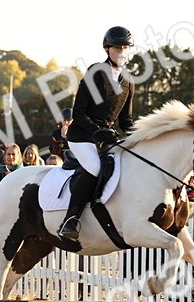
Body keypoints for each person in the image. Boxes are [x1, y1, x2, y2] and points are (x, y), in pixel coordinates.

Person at [58, 26, 136, 240]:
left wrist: (141, 136)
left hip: (106, 137)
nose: (121, 52)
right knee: (94, 167)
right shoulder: (96, 72)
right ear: (107, 49)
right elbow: (80, 112)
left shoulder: (129, 81)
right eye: (117, 48)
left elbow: (126, 121)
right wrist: (99, 131)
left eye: (125, 48)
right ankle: (70, 220)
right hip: (82, 135)